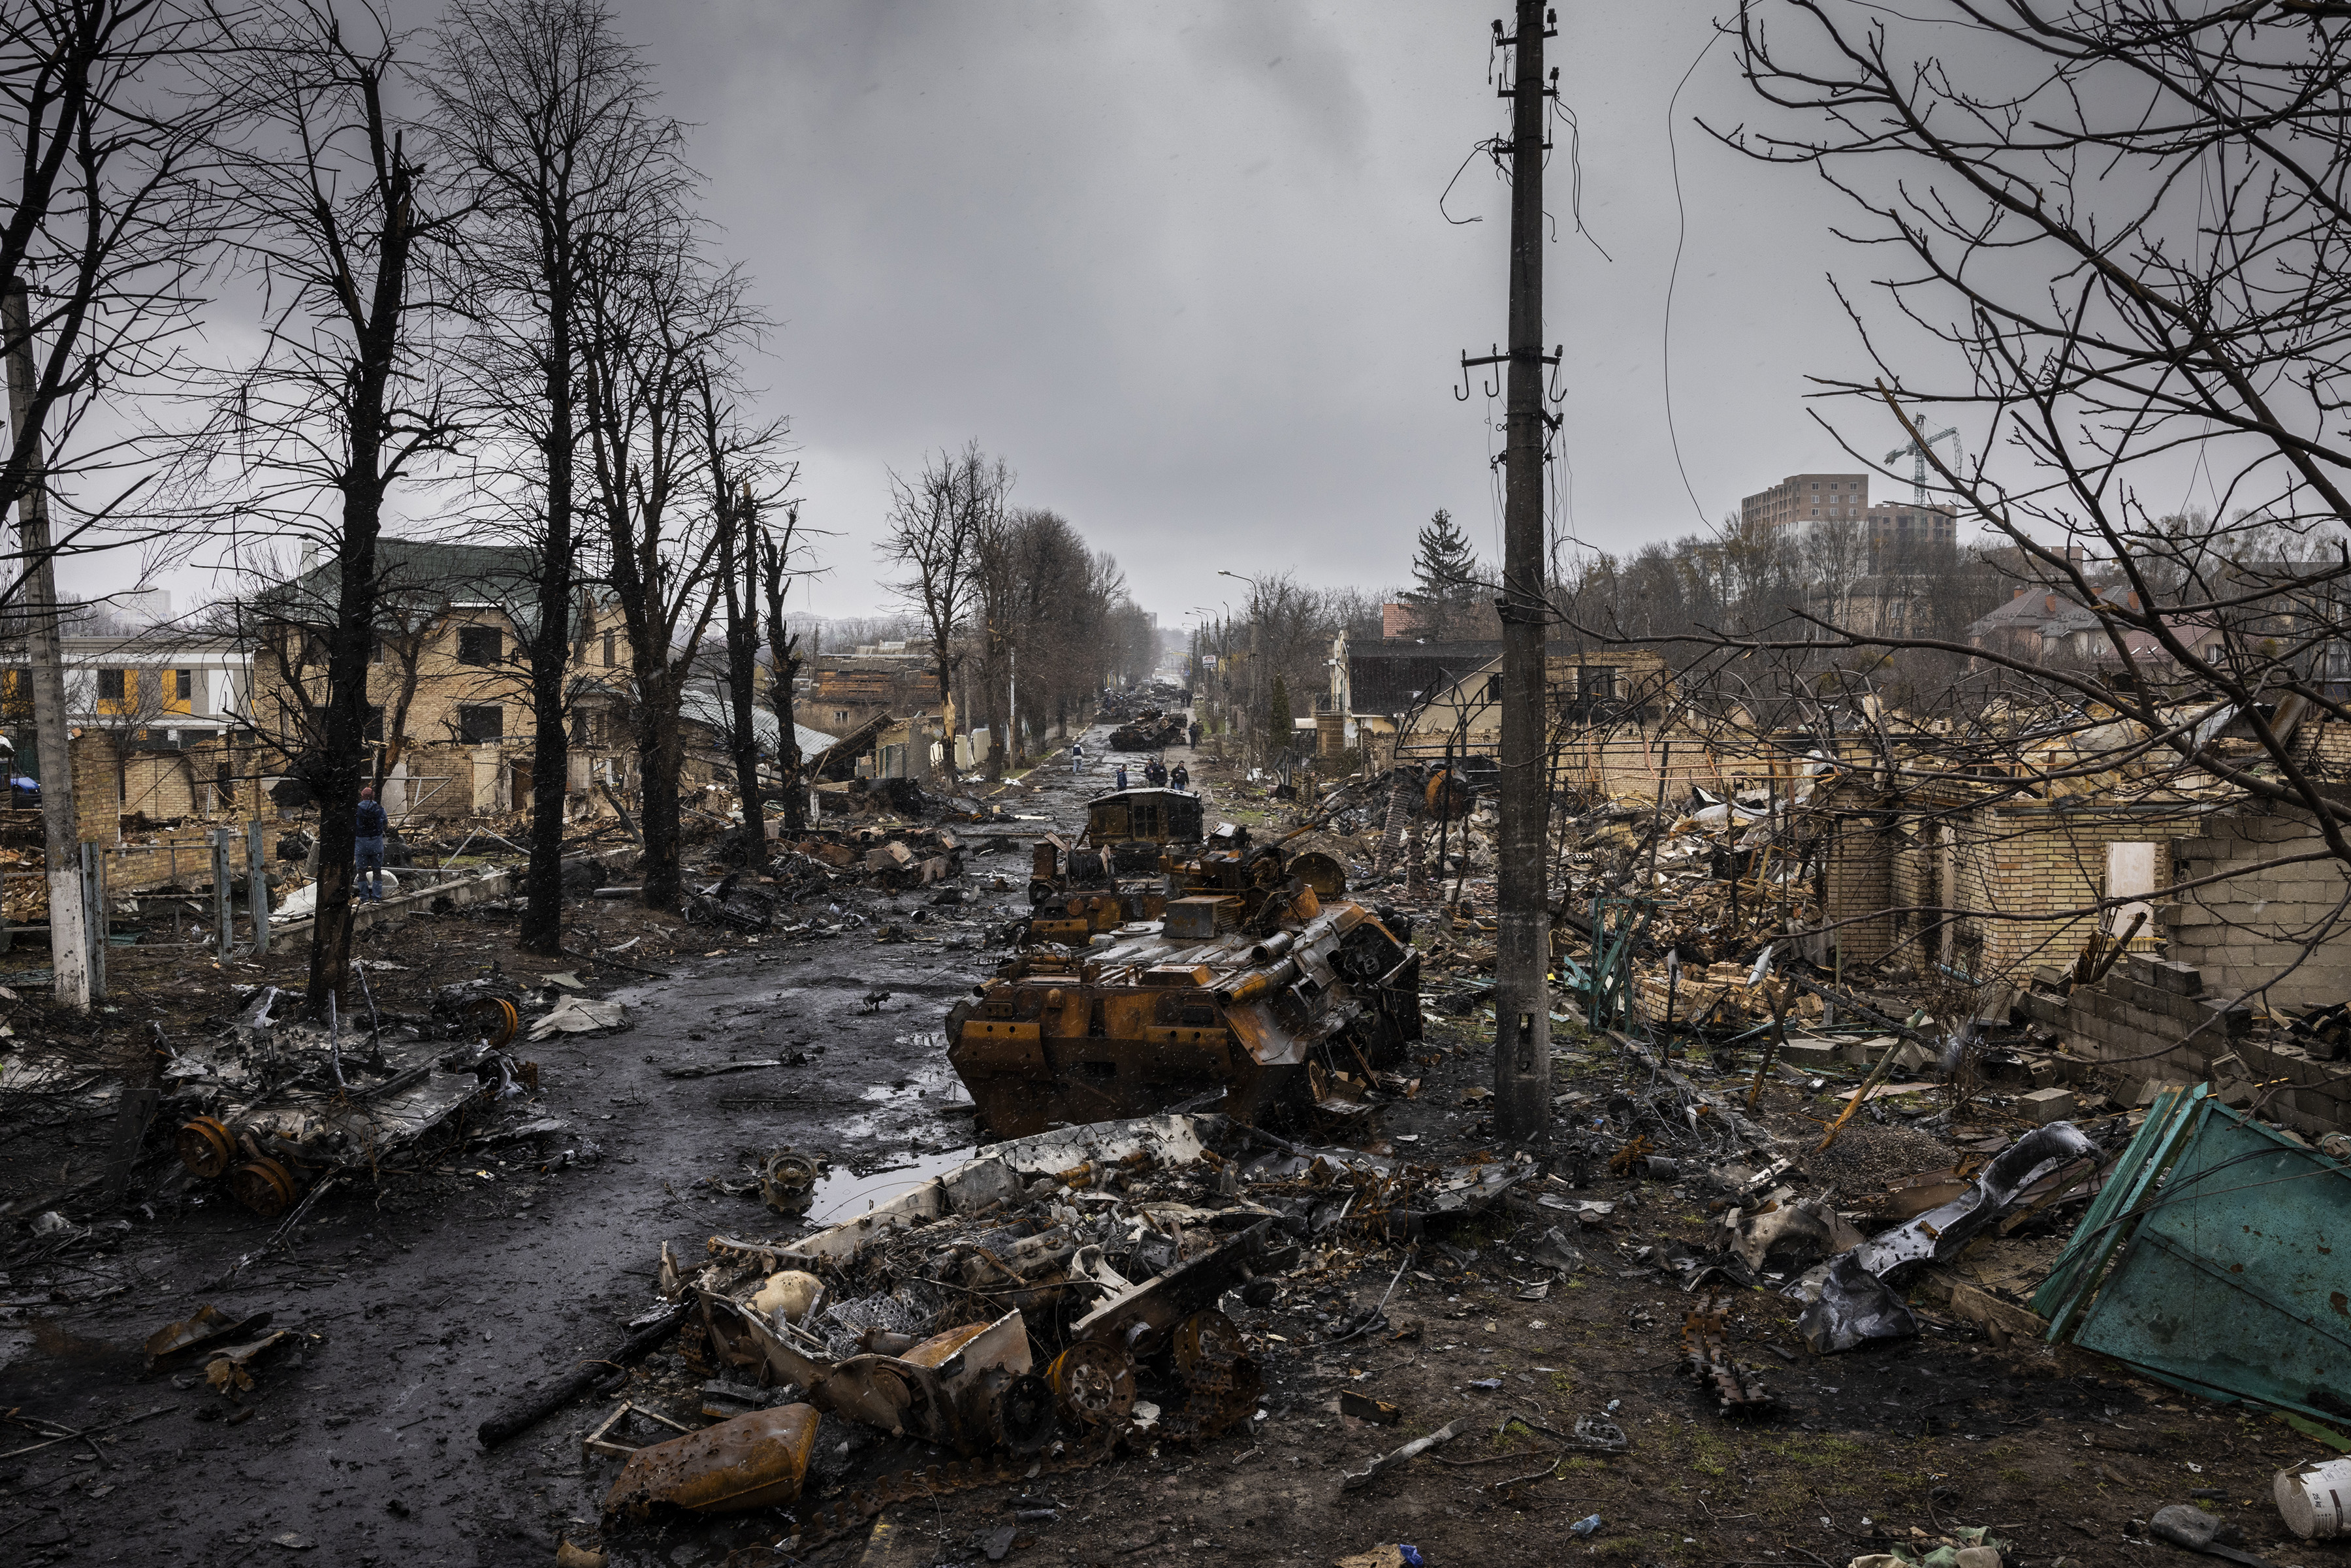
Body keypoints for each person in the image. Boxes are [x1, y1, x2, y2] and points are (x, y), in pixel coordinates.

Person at [355, 784, 388, 902]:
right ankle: (376, 898)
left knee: (362, 872)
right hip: (376, 845)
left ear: (362, 796)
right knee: (377, 871)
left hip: (361, 845)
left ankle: (364, 898)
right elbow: (385, 822)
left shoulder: (356, 810)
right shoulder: (379, 809)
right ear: (373, 796)